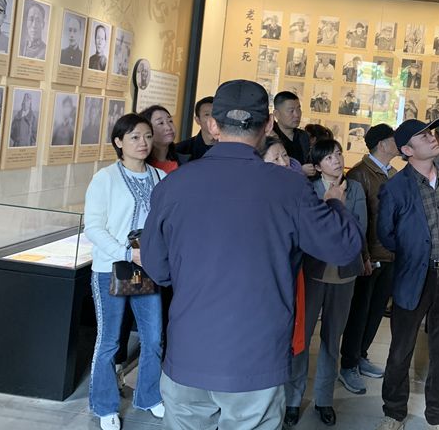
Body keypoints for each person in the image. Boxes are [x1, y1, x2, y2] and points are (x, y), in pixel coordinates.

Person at [141, 80, 363, 430]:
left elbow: (158, 269)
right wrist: (336, 204)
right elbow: (344, 247)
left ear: (213, 125)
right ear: (269, 124)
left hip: (189, 349)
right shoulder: (290, 187)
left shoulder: (174, 184)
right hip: (256, 355)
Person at [375, 118, 439, 430]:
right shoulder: (395, 187)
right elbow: (386, 234)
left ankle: (438, 415)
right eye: (422, 136)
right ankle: (394, 412)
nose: (431, 138)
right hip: (414, 275)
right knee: (401, 349)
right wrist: (413, 252)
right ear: (407, 150)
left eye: (430, 133)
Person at [84, 113, 165, 430]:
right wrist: (127, 252)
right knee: (108, 342)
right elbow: (93, 227)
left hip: (147, 268)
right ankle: (104, 405)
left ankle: (149, 396)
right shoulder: (105, 178)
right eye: (134, 137)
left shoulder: (160, 177)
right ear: (119, 141)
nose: (143, 142)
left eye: (147, 136)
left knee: (153, 338)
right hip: (112, 268)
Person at [285, 139, 367, 427]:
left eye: (339, 154)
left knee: (333, 338)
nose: (337, 160)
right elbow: (308, 231)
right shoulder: (308, 190)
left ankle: (324, 399)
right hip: (312, 272)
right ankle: (293, 400)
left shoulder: (354, 189)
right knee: (302, 337)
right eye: (330, 157)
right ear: (318, 166)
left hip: (345, 273)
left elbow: (359, 229)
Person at [339, 124, 399, 395]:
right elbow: (357, 222)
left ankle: (361, 355)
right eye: (393, 139)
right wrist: (363, 255)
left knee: (376, 311)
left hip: (390, 254)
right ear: (382, 144)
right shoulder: (359, 175)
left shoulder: (393, 173)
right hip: (369, 255)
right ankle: (348, 364)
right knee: (359, 311)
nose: (398, 143)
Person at [272, 91, 314, 176]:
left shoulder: (304, 136)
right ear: (277, 114)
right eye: (291, 111)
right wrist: (299, 170)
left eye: (298, 109)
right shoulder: (270, 137)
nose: (297, 115)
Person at [140, 105, 188, 173]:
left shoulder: (186, 162)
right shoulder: (139, 165)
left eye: (170, 121)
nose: (168, 127)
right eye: (161, 123)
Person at [175, 96, 216, 162]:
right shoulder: (181, 150)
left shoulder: (230, 147)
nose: (213, 119)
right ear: (197, 120)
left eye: (216, 114)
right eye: (207, 114)